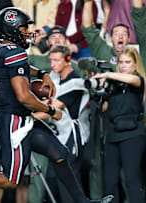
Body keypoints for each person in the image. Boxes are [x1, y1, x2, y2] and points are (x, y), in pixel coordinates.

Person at [0, 7, 114, 203]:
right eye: (23, 29)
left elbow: (14, 65)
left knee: (60, 154)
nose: (26, 33)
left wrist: (40, 73)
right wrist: (50, 110)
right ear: (12, 30)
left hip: (15, 118)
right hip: (15, 122)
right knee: (10, 180)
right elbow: (23, 96)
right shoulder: (16, 53)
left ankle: (83, 201)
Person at [33, 45, 90, 202]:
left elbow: (51, 109)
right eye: (51, 60)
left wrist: (29, 118)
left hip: (72, 138)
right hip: (57, 136)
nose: (53, 65)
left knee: (67, 183)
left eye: (57, 61)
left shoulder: (76, 83)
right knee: (53, 180)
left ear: (68, 60)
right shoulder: (54, 76)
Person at [92, 47, 146, 203]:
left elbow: (132, 80)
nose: (123, 65)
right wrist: (98, 90)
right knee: (110, 181)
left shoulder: (138, 80)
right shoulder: (113, 85)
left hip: (133, 134)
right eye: (121, 62)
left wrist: (107, 74)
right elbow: (104, 108)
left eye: (127, 62)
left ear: (135, 64)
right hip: (113, 133)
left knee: (131, 179)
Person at [81, 0, 130, 70]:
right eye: (116, 34)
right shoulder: (103, 51)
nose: (120, 37)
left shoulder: (137, 56)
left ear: (129, 39)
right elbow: (88, 29)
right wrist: (88, 3)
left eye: (124, 34)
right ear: (111, 38)